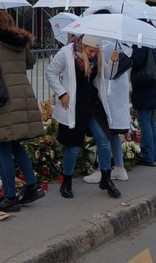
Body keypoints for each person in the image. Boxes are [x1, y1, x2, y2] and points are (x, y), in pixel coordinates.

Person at [0, 10, 46, 212]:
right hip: (22, 96)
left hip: (3, 100)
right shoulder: (20, 39)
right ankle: (32, 186)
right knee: (15, 145)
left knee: (4, 146)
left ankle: (10, 198)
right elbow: (31, 62)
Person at [45, 34, 121, 199]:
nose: (93, 54)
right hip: (73, 104)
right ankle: (66, 181)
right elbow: (50, 72)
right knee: (73, 146)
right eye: (91, 51)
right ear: (83, 46)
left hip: (92, 103)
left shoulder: (97, 57)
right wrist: (61, 93)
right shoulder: (66, 53)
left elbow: (108, 74)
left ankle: (106, 178)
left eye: (96, 51)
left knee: (104, 139)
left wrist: (114, 61)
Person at [83, 38, 132, 184]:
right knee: (112, 133)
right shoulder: (122, 45)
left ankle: (102, 169)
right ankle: (119, 168)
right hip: (117, 93)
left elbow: (103, 70)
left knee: (103, 133)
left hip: (108, 93)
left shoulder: (104, 45)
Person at [130, 34, 156, 167]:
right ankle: (155, 154)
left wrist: (129, 52)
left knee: (144, 121)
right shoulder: (152, 41)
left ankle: (148, 156)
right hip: (155, 87)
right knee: (150, 121)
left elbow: (137, 61)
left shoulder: (141, 42)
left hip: (145, 88)